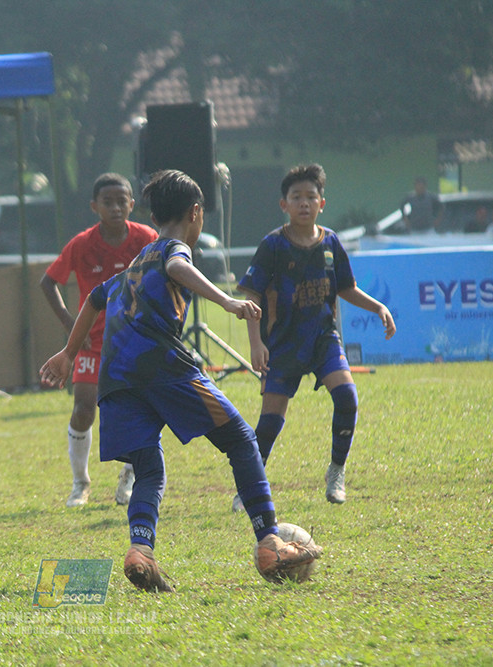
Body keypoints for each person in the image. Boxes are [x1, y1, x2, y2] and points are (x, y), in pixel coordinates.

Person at [40, 169, 321, 592]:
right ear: (195, 213)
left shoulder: (138, 259)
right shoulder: (173, 249)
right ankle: (269, 543)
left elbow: (97, 298)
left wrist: (70, 351)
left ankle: (140, 551)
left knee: (149, 467)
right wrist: (227, 300)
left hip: (114, 377)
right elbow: (177, 265)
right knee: (242, 441)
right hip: (161, 366)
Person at [231, 164, 395, 513]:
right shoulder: (273, 245)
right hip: (283, 343)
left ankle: (336, 472)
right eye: (296, 197)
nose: (304, 203)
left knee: (348, 397)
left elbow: (346, 288)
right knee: (270, 423)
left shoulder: (331, 242)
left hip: (323, 338)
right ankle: (249, 487)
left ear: (322, 202)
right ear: (284, 205)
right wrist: (256, 344)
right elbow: (251, 297)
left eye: (310, 197)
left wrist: (378, 306)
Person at [40, 173, 158, 507]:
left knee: (135, 408)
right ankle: (81, 483)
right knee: (84, 408)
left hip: (134, 340)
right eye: (108, 202)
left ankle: (130, 476)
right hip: (93, 342)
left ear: (133, 204)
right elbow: (48, 283)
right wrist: (69, 323)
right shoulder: (81, 244)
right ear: (95, 206)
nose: (116, 207)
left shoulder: (146, 238)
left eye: (123, 201)